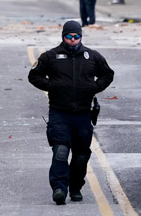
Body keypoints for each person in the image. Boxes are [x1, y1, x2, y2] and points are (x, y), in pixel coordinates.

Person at [28, 21, 113, 205]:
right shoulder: (50, 56)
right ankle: (59, 188)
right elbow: (34, 76)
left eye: (76, 37)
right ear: (63, 36)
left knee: (81, 155)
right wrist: (51, 86)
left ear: (81, 36)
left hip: (83, 113)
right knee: (61, 150)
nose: (73, 40)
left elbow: (108, 74)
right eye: (69, 37)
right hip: (60, 112)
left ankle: (75, 187)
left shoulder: (92, 56)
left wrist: (94, 88)